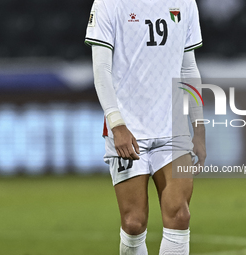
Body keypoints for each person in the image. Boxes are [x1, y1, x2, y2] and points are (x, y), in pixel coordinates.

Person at [85, 0, 206, 254]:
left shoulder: (184, 3)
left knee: (180, 214)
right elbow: (101, 69)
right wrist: (116, 123)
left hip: (173, 128)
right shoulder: (108, 4)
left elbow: (189, 67)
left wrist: (199, 125)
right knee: (133, 222)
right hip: (129, 129)